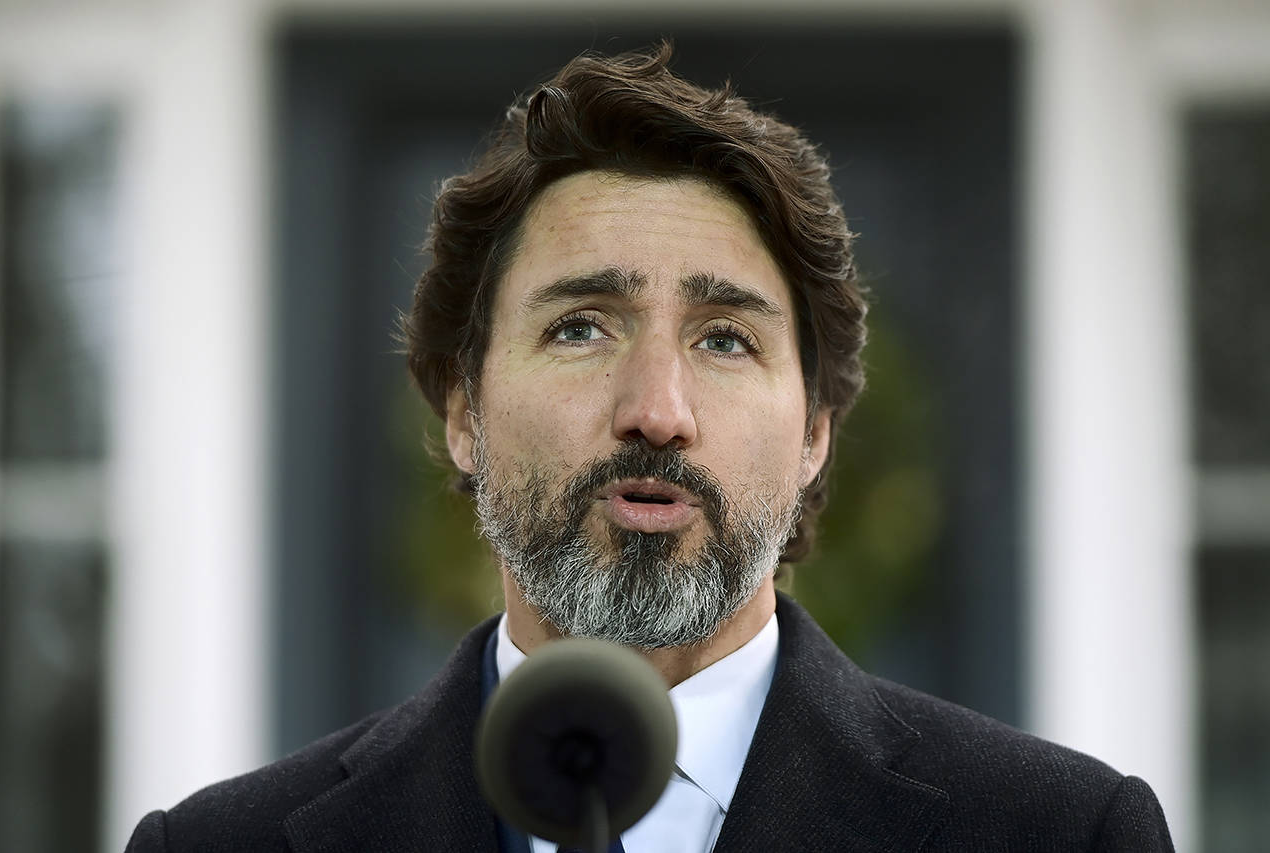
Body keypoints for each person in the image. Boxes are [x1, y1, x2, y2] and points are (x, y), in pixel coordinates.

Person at [126, 43, 1174, 852]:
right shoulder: (219, 845)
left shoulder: (1060, 834)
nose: (656, 410)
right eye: (579, 326)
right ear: (462, 409)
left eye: (725, 338)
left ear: (814, 432)